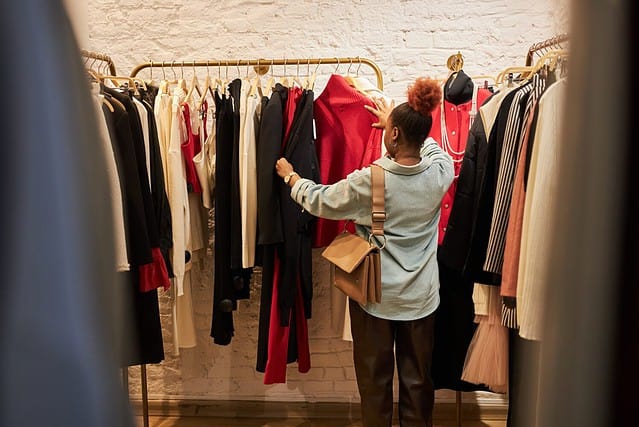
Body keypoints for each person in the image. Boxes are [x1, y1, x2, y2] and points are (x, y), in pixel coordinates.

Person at [275, 77, 454, 426]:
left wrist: (292, 178)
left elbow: (319, 200)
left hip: (376, 298)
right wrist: (402, 124)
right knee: (418, 382)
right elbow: (431, 148)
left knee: (375, 381)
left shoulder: (369, 181)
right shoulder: (439, 172)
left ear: (394, 135)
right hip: (421, 299)